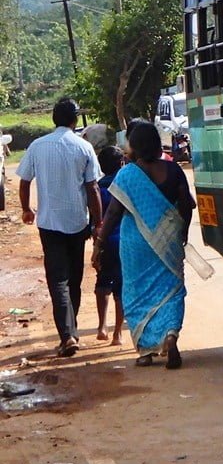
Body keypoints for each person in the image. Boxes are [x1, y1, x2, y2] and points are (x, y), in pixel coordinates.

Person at [97, 120, 194, 369]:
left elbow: (113, 214)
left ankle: (144, 351)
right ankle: (170, 335)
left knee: (137, 293)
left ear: (134, 146)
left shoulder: (127, 174)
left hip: (135, 244)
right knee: (171, 290)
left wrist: (99, 242)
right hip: (168, 240)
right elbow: (186, 204)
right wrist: (181, 231)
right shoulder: (173, 171)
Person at [17, 99, 103, 357]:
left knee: (58, 280)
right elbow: (93, 188)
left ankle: (68, 335)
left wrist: (26, 208)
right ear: (74, 120)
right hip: (77, 223)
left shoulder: (37, 146)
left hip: (49, 223)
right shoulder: (84, 147)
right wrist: (98, 222)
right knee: (74, 278)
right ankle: (70, 333)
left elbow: (24, 181)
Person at [90, 142, 125, 345]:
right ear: (121, 163)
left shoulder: (98, 188)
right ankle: (117, 333)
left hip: (104, 242)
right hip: (124, 241)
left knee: (102, 282)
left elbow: (94, 221)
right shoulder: (125, 184)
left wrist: (96, 246)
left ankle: (102, 326)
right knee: (121, 287)